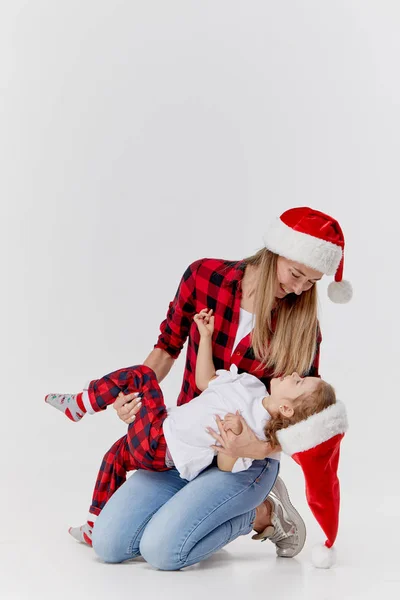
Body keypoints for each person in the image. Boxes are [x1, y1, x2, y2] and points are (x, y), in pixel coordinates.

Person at [58, 207, 351, 570]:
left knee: (164, 552)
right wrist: (129, 399)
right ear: (277, 250)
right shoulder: (204, 277)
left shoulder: (303, 328)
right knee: (110, 543)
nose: (298, 289)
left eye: (310, 282)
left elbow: (304, 421)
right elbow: (167, 347)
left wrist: (254, 446)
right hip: (184, 442)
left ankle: (263, 514)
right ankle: (191, 513)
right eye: (295, 274)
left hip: (246, 459)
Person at [46, 308, 336, 548]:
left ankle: (82, 403)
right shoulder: (249, 383)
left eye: (299, 382)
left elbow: (224, 466)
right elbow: (204, 381)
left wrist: (233, 444)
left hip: (163, 447)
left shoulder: (258, 428)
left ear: (287, 409)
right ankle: (94, 524)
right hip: (160, 426)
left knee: (143, 376)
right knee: (114, 456)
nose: (297, 373)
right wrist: (205, 337)